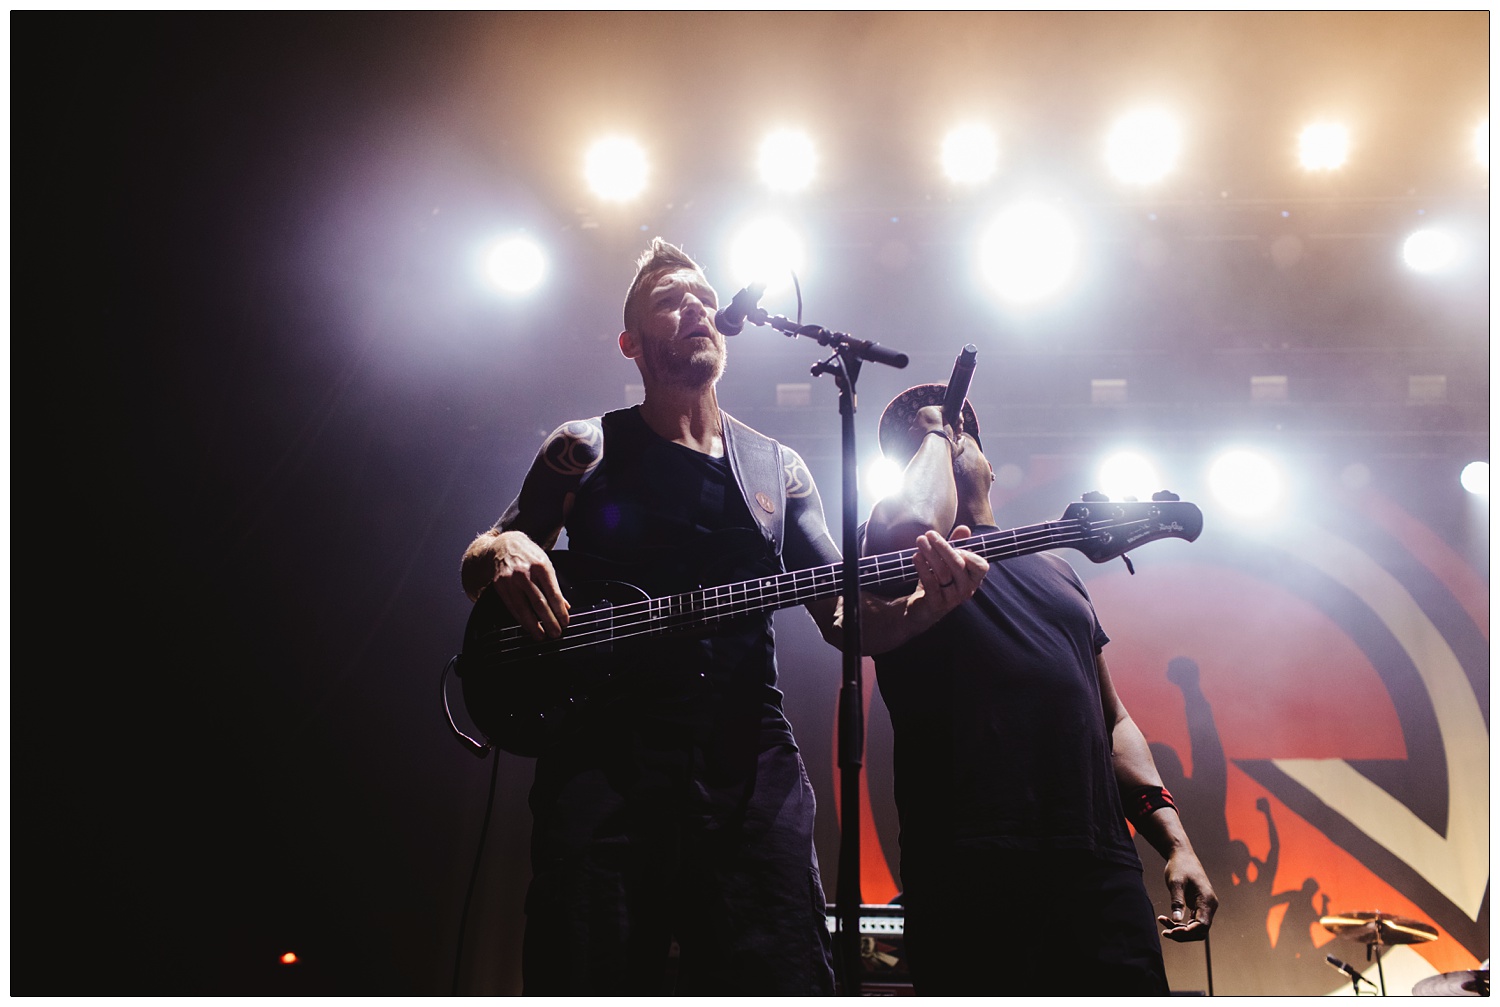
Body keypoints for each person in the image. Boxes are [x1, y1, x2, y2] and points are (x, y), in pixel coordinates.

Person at [459, 239, 986, 995]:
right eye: (671, 300)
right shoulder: (585, 446)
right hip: (604, 768)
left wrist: (929, 603)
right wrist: (507, 545)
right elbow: (479, 559)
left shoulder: (778, 470)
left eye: (704, 298)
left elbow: (844, 618)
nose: (697, 308)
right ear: (631, 343)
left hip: (749, 771)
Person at [860, 384, 1218, 995]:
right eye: (926, 438)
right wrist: (934, 437)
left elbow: (1113, 721)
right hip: (972, 868)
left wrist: (1175, 842)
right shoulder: (904, 554)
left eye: (956, 429)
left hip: (1098, 864)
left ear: (990, 465)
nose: (946, 437)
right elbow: (914, 518)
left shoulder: (1058, 569)